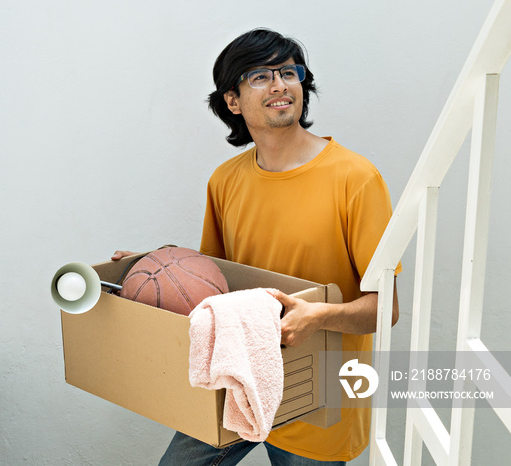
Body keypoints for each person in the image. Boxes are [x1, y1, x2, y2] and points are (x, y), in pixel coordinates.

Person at [113, 28, 400, 465]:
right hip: (238, 379)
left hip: (317, 392)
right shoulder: (225, 180)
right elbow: (212, 289)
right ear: (232, 100)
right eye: (260, 76)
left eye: (288, 72)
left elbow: (386, 309)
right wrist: (154, 269)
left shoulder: (356, 179)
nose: (280, 84)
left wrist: (319, 315)